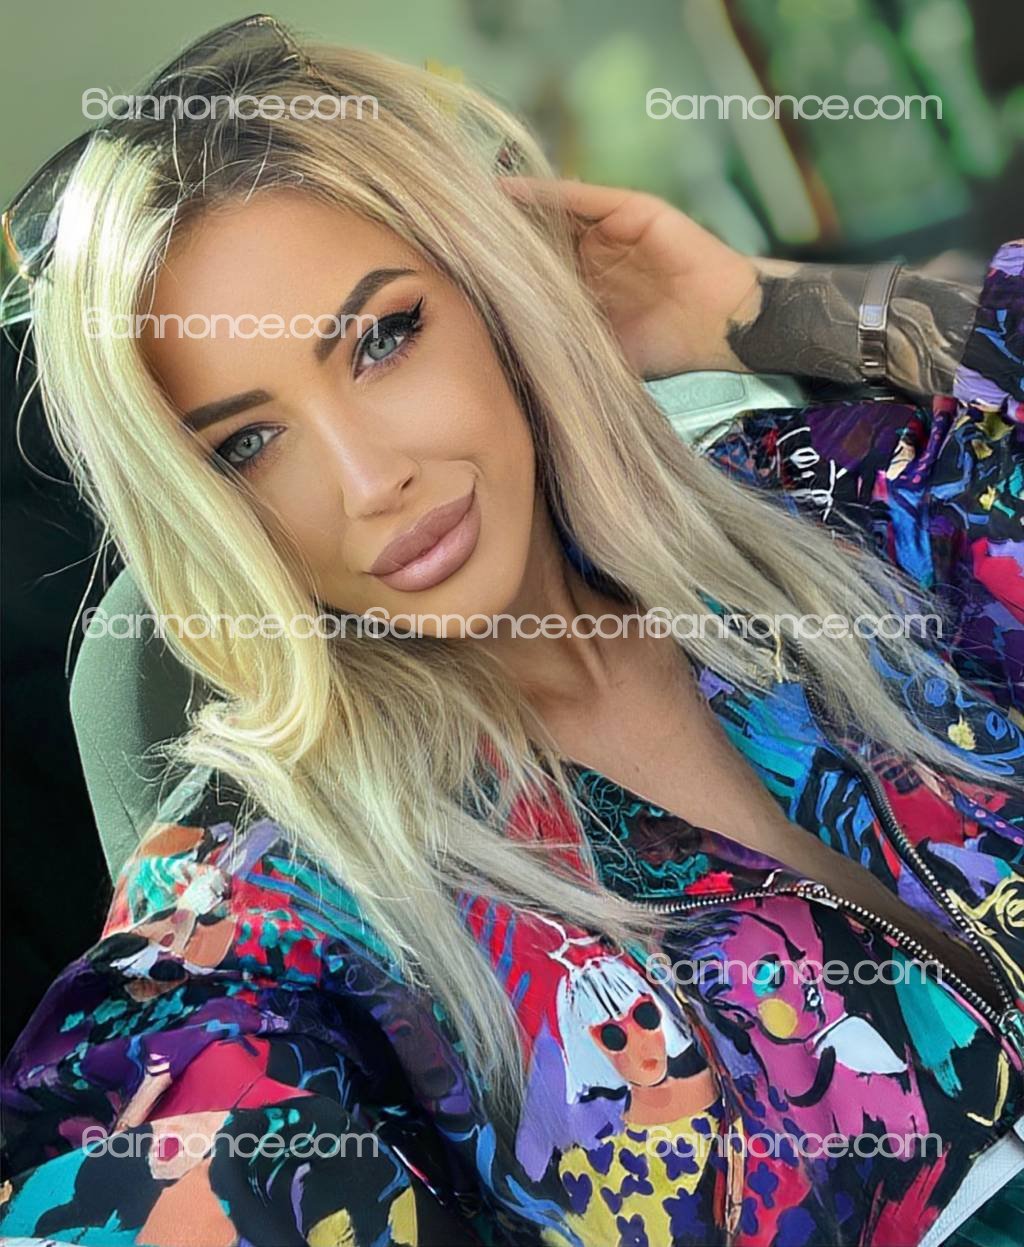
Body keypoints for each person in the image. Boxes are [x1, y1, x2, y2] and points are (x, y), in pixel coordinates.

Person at [1, 13, 1022, 1246]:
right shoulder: (268, 918)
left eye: (383, 339)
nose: (369, 478)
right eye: (248, 442)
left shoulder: (839, 508)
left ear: (493, 290)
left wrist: (763, 308)